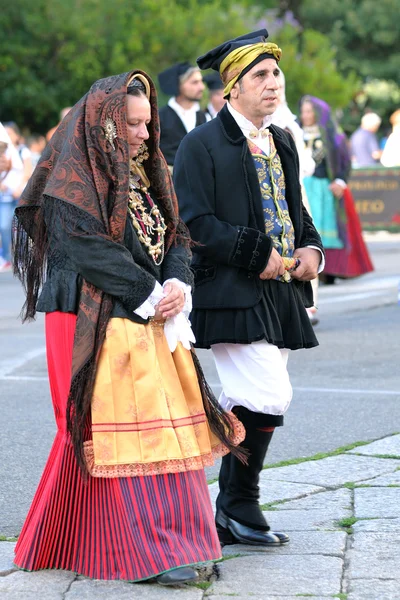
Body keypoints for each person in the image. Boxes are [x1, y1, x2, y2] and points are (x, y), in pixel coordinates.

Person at [12, 70, 245, 584]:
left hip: (148, 311)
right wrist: (150, 293)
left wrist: (179, 283)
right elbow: (85, 247)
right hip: (85, 315)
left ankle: (152, 541)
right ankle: (141, 553)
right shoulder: (74, 178)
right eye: (134, 125)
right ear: (107, 125)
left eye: (147, 123)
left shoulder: (148, 168)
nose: (145, 133)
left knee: (161, 426)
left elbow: (178, 234)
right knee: (115, 431)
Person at [174, 30, 324, 548]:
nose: (273, 84)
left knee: (252, 397)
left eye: (276, 74)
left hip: (281, 292)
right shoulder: (201, 144)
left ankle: (232, 509)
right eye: (259, 75)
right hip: (229, 291)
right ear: (231, 88)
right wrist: (256, 253)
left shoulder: (280, 139)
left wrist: (312, 249)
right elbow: (193, 222)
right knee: (269, 393)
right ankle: (236, 503)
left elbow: (295, 208)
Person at [300, 96, 373, 281]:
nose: (305, 115)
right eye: (304, 111)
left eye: (309, 111)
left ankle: (329, 270)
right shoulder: (295, 132)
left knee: (327, 228)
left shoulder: (333, 137)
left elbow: (345, 163)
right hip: (303, 187)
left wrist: (339, 181)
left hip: (325, 189)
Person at [271, 69, 319, 324]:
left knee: (300, 239)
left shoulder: (286, 126)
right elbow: (309, 165)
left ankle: (305, 303)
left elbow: (306, 165)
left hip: (291, 191)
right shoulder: (290, 123)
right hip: (292, 188)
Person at [158, 63, 207, 169]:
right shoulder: (159, 118)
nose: (202, 87)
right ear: (179, 85)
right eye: (195, 82)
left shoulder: (206, 117)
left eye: (201, 81)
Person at [0, 122, 23, 271]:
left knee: (20, 228)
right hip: (4, 197)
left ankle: (20, 258)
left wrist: (19, 187)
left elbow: (26, 172)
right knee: (4, 226)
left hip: (17, 195)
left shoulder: (19, 152)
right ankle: (7, 257)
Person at [4, 122, 33, 199]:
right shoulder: (2, 153)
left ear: (16, 135)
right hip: (4, 195)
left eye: (9, 133)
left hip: (20, 194)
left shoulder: (23, 151)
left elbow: (27, 172)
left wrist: (18, 189)